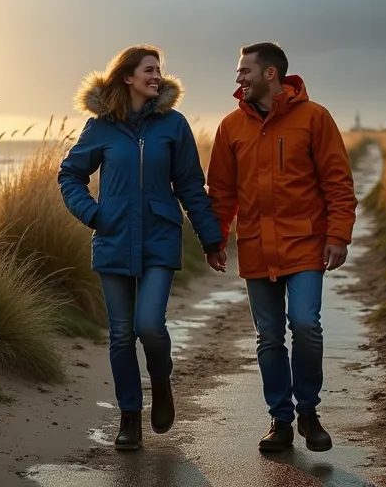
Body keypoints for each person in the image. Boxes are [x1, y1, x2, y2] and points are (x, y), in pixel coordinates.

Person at [58, 44, 224, 451]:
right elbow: (70, 175)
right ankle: (129, 416)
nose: (157, 76)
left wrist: (211, 238)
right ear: (127, 77)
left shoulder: (174, 125)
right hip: (113, 237)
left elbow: (189, 186)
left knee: (149, 325)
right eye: (149, 70)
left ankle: (162, 382)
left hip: (160, 235)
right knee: (119, 335)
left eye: (159, 70)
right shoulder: (100, 128)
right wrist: (94, 215)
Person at [204, 42, 357, 453]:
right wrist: (214, 239)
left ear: (270, 74)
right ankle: (281, 419)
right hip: (255, 248)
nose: (238, 78)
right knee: (269, 337)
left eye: (244, 71)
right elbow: (220, 192)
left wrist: (338, 235)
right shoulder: (230, 127)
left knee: (305, 324)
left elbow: (338, 183)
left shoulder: (314, 118)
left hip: (305, 244)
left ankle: (308, 411)